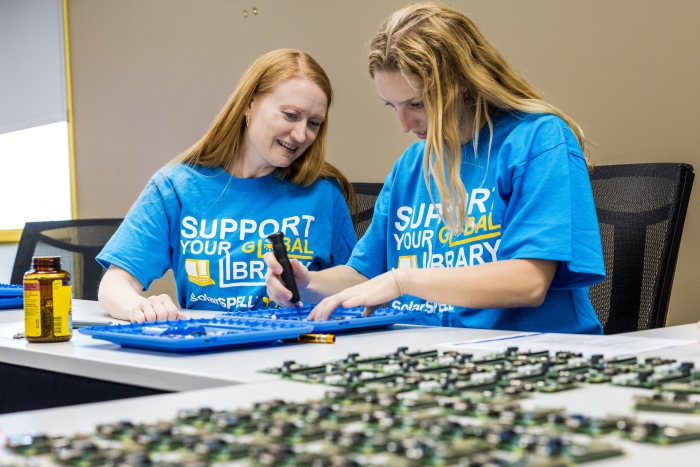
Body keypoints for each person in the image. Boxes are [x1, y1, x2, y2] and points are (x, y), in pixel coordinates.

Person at [265, 3, 605, 334]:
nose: (403, 124)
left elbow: (529, 282)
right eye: (392, 106)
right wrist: (308, 283)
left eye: (416, 104)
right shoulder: (412, 166)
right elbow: (364, 276)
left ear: (464, 84)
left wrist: (405, 279)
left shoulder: (538, 140)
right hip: (431, 351)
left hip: (526, 355)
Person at [97, 49, 358, 323]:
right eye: (291, 115)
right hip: (210, 350)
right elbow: (115, 282)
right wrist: (137, 307)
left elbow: (357, 285)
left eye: (314, 123)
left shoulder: (323, 193)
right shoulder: (177, 187)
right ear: (250, 104)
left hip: (296, 346)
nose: (302, 134)